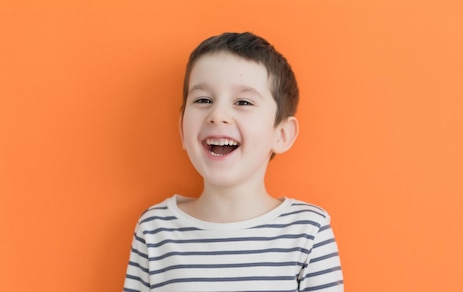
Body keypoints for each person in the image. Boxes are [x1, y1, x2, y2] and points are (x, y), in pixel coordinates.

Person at [123, 32, 344, 291]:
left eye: (243, 102)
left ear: (282, 134)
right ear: (183, 130)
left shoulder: (308, 231)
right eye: (203, 100)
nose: (217, 115)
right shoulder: (154, 230)